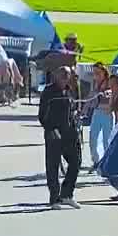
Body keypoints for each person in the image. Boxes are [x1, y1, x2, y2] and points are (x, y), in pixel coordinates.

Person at [37, 64, 83, 208]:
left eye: (67, 75)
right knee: (53, 166)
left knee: (76, 161)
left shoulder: (70, 90)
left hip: (69, 132)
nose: (64, 77)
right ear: (56, 75)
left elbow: (75, 108)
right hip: (54, 132)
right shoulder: (49, 91)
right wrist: (50, 129)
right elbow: (42, 115)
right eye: (62, 74)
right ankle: (54, 198)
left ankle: (67, 194)